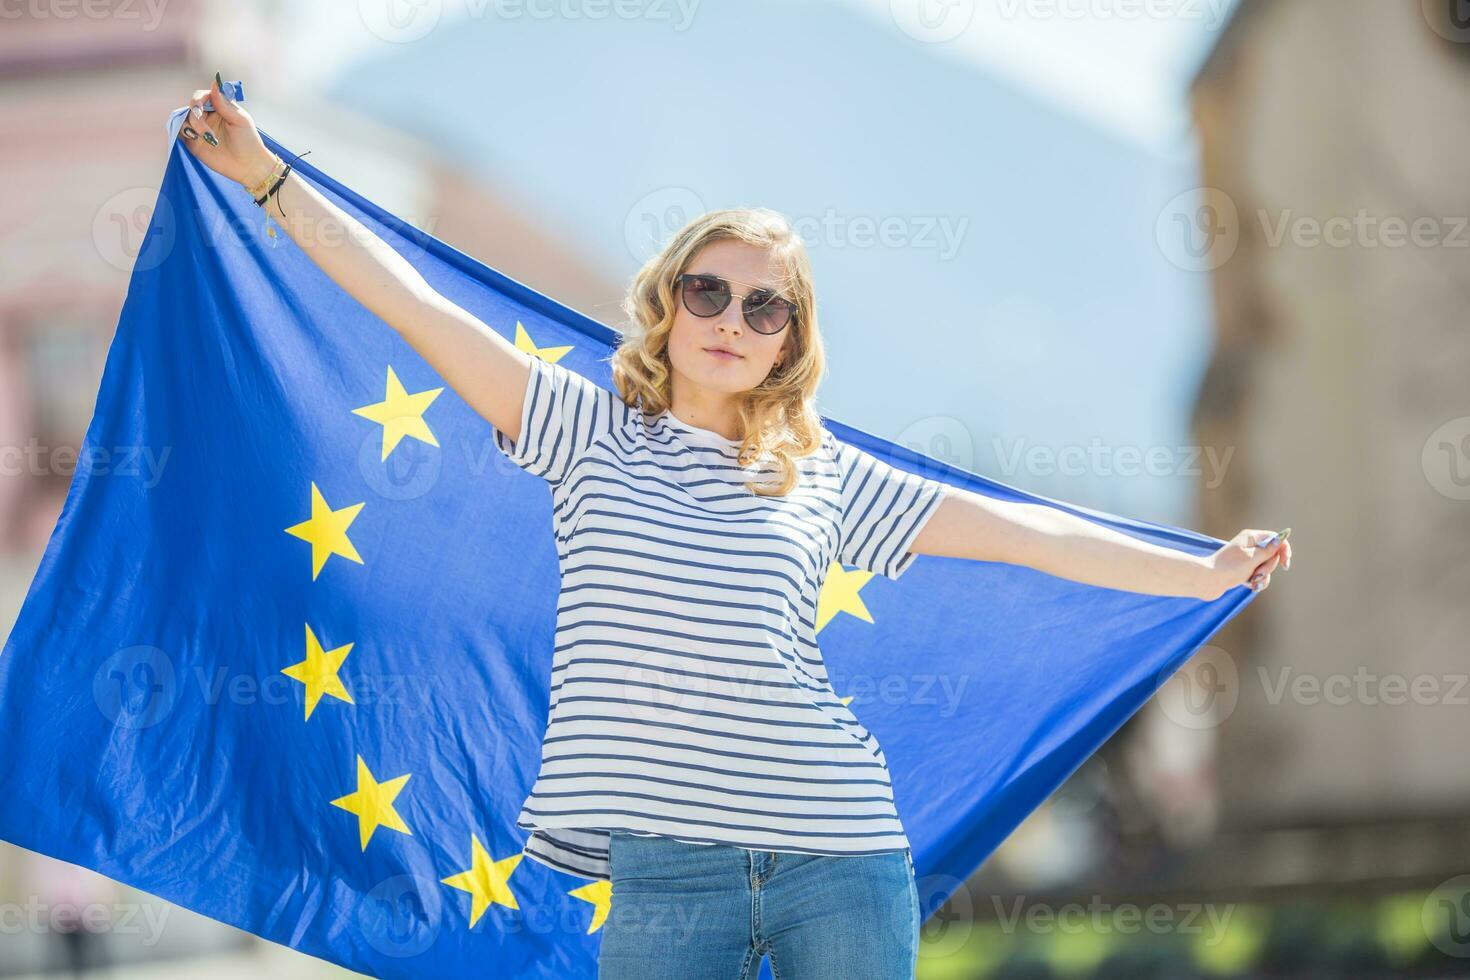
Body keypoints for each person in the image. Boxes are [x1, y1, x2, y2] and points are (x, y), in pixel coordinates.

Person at [176, 74, 1293, 980]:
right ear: (667, 302)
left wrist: (1204, 572)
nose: (732, 320)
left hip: (843, 856)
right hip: (666, 875)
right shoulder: (582, 427)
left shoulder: (819, 473)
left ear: (787, 343)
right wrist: (266, 174)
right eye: (710, 291)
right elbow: (416, 305)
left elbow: (1027, 537)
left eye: (766, 308)